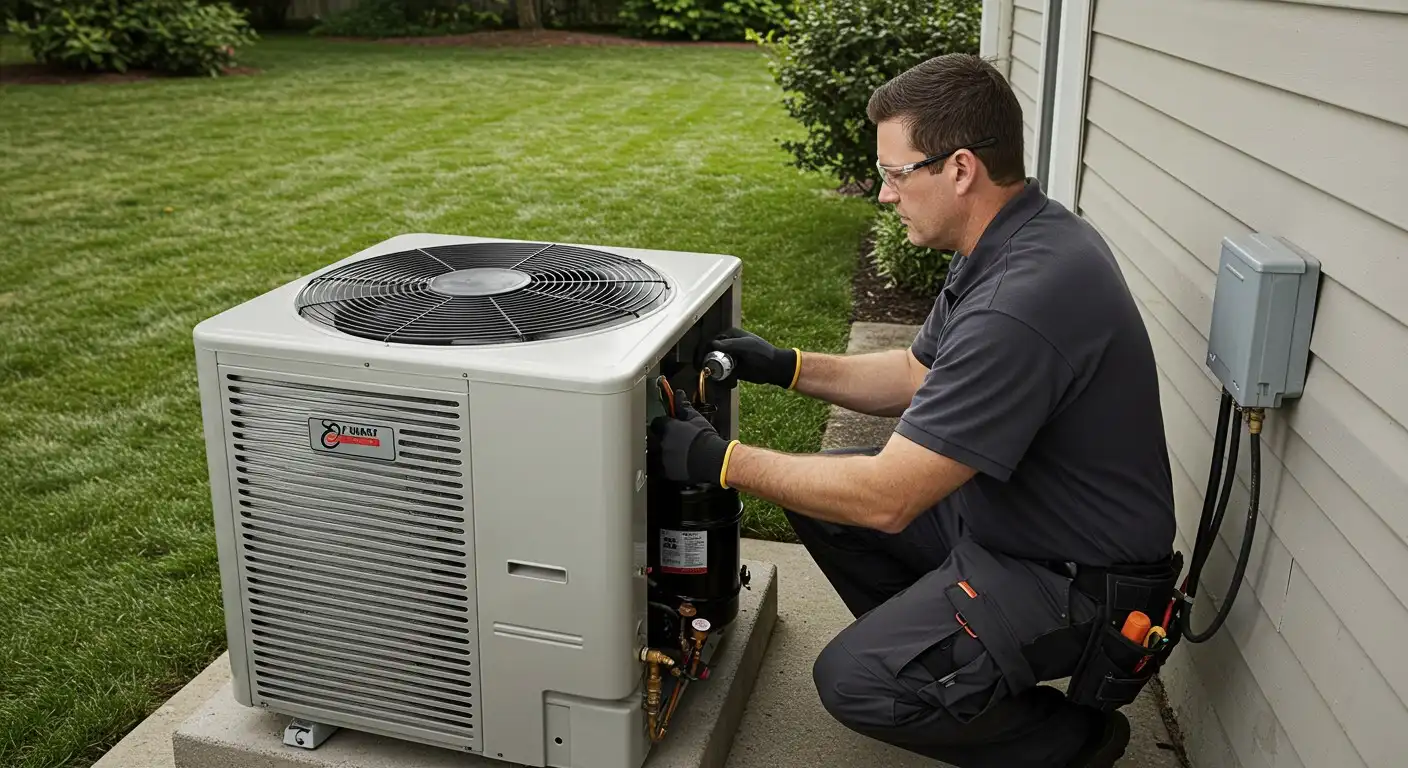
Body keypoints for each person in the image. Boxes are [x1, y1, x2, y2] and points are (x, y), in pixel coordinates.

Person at [649, 53, 1180, 768]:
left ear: (960, 169)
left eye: (896, 174)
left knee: (854, 681)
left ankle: (1068, 741)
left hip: (1075, 581)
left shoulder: (1021, 304)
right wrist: (787, 367)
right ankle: (943, 650)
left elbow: (890, 500)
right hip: (1015, 526)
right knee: (822, 488)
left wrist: (721, 462)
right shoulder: (1013, 237)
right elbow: (911, 371)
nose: (883, 194)